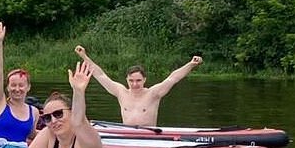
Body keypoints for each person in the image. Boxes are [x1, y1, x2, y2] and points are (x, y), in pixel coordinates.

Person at [28, 60, 123, 148]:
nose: (53, 121)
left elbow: (79, 122)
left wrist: (78, 91)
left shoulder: (87, 138)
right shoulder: (48, 134)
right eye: (47, 118)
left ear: (72, 113)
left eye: (58, 114)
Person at [75, 45, 204, 126]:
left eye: (138, 80)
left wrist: (191, 64)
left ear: (144, 80)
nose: (134, 84)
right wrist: (84, 56)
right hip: (127, 136)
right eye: (131, 81)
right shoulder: (121, 92)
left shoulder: (153, 93)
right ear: (127, 80)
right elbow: (100, 75)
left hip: (148, 136)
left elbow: (173, 77)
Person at [0, 21, 39, 143]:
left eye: (21, 85)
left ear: (28, 87)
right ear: (7, 88)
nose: (17, 89)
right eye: (13, 85)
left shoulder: (34, 112)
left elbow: (32, 135)